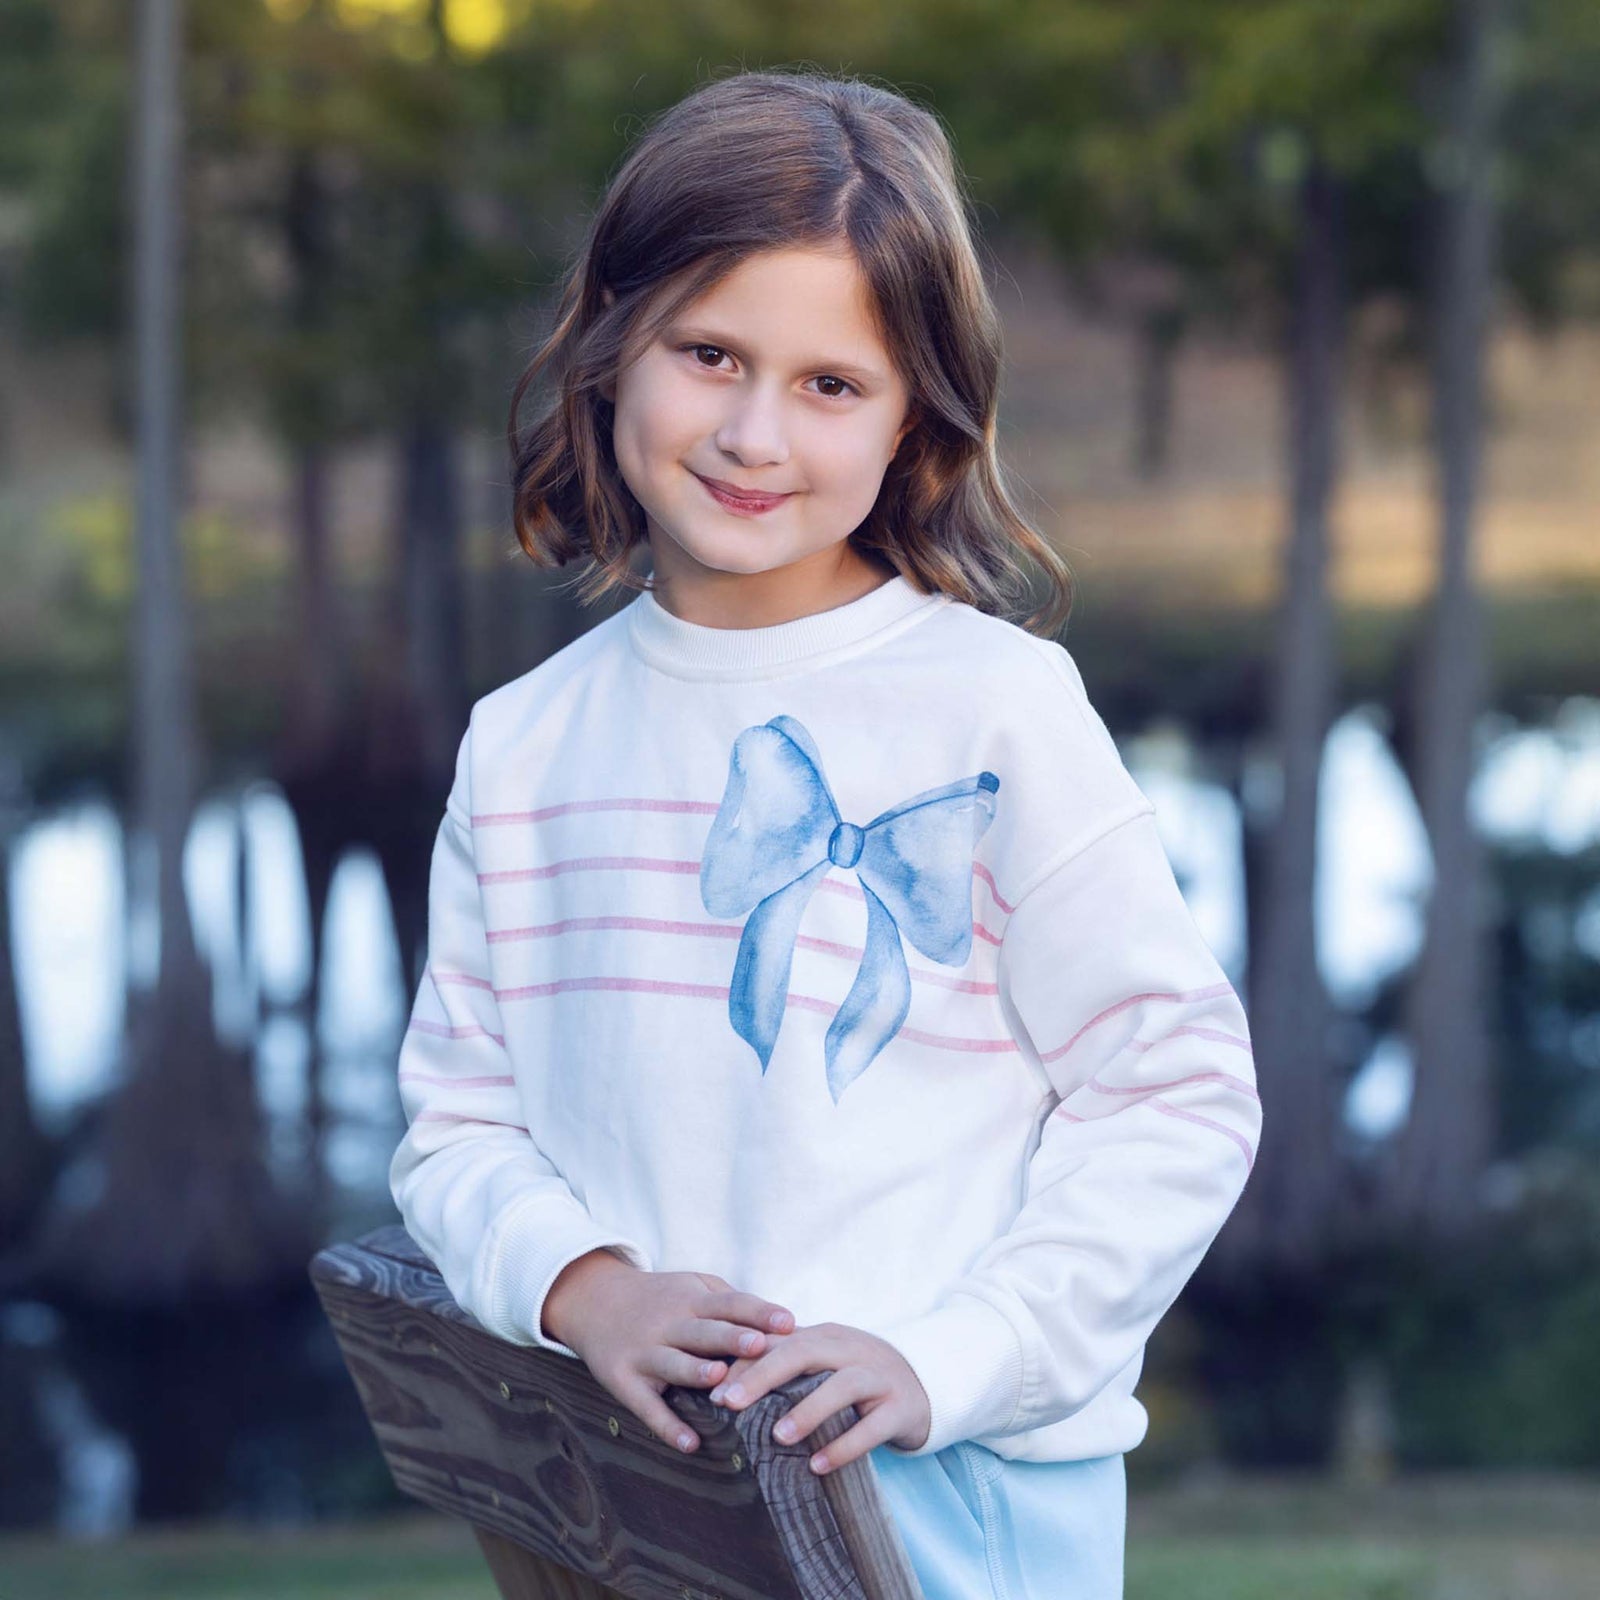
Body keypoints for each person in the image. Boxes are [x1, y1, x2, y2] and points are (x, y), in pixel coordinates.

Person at [389, 67, 1262, 1600]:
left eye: (829, 384)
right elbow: (460, 1124)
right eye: (707, 353)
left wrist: (961, 1353)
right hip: (648, 1510)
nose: (750, 432)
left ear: (917, 413)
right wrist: (585, 1292)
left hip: (956, 1500)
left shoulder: (998, 710)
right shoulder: (525, 746)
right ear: (611, 348)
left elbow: (1175, 1096)